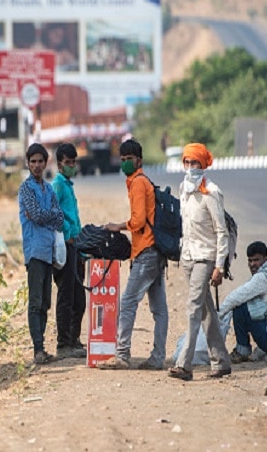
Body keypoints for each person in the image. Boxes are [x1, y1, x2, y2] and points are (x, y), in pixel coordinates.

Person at [97, 139, 168, 370]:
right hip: (156, 251)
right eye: (123, 159)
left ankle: (122, 354)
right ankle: (157, 358)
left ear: (139, 160)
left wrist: (118, 226)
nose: (126, 163)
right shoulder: (144, 181)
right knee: (159, 309)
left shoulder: (138, 183)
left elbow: (138, 221)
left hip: (146, 252)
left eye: (130, 159)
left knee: (127, 302)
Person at [169, 143, 232, 381]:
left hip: (206, 257)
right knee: (206, 311)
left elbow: (221, 232)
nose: (191, 167)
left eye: (195, 163)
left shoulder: (212, 192)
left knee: (193, 307)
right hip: (188, 256)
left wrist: (219, 266)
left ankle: (185, 365)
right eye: (187, 162)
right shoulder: (184, 190)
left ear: (203, 165)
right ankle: (221, 361)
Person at [18, 143, 65, 365]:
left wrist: (45, 214)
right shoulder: (26, 189)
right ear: (28, 163)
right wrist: (49, 214)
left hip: (49, 251)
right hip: (35, 251)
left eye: (40, 161)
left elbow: (59, 218)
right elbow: (36, 216)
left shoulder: (48, 189)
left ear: (46, 163)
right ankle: (37, 349)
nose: (37, 165)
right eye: (33, 161)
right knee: (35, 302)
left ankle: (42, 348)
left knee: (45, 302)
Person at [217, 241, 267, 363]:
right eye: (250, 261)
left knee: (240, 307)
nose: (252, 264)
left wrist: (216, 316)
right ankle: (246, 348)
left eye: (256, 260)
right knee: (246, 303)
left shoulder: (262, 277)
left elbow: (235, 297)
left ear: (266, 259)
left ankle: (242, 350)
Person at [52, 143, 87, 359]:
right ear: (59, 164)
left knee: (78, 298)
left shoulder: (68, 185)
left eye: (73, 162)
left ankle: (75, 340)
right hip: (64, 245)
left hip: (75, 245)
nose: (71, 166)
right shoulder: (57, 185)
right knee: (66, 296)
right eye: (68, 163)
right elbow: (55, 214)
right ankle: (63, 344)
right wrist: (68, 234)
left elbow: (75, 217)